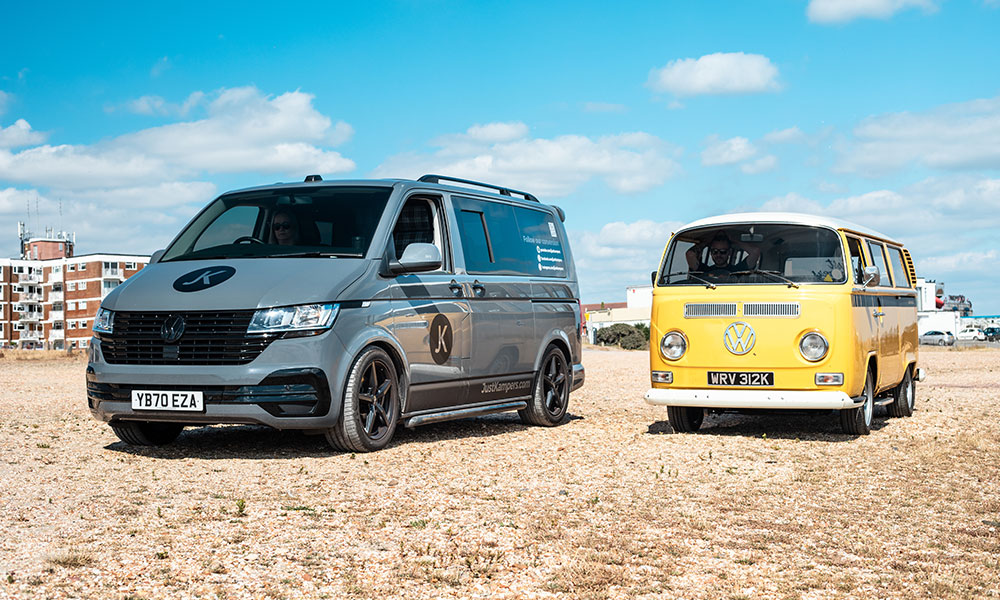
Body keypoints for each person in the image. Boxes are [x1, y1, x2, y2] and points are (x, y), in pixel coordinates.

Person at [686, 232, 760, 273]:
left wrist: (734, 240)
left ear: (729, 252)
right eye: (714, 251)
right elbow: (690, 254)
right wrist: (706, 242)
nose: (718, 255)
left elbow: (755, 252)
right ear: (710, 252)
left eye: (723, 251)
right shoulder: (704, 271)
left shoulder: (738, 270)